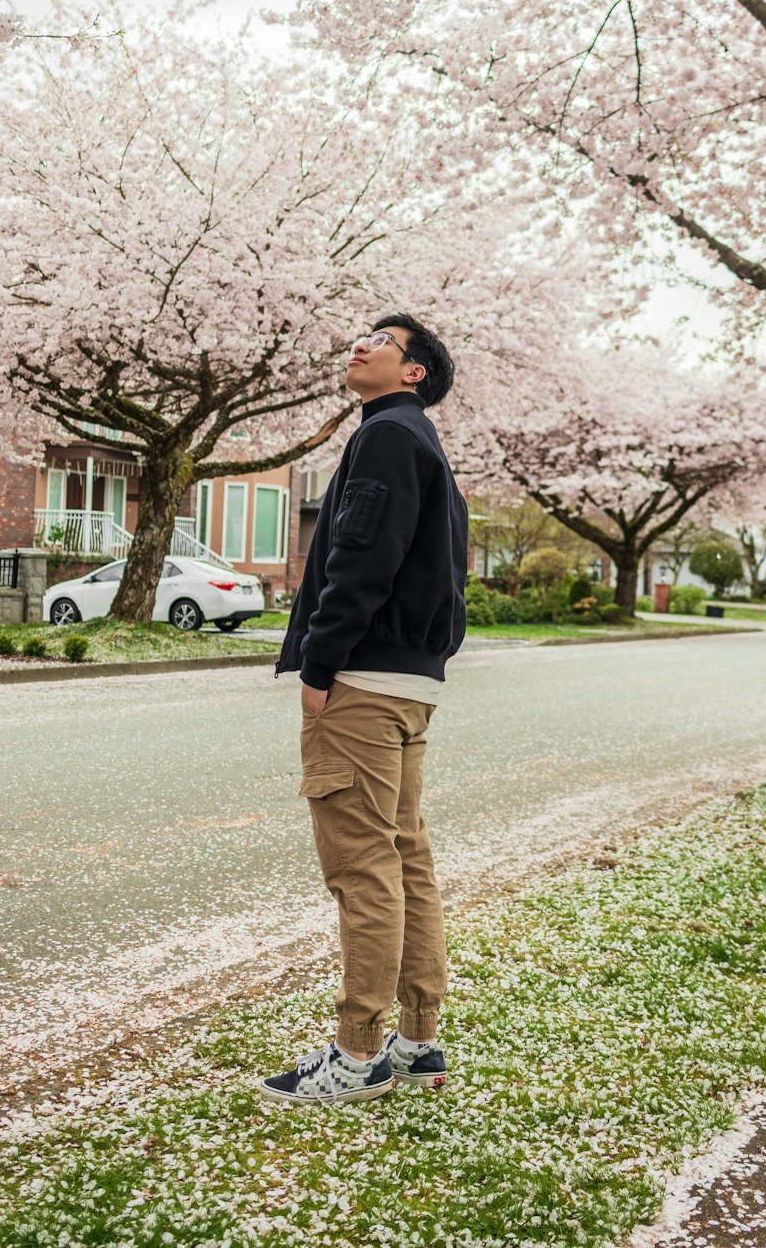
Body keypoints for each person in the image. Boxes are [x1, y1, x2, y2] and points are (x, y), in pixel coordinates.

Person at [259, 314, 468, 1107]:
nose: (360, 345)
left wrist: (320, 661)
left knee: (363, 868)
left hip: (363, 682)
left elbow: (359, 554)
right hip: (411, 684)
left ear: (413, 371)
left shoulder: (385, 436)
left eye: (381, 341)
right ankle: (417, 1041)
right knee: (406, 859)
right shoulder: (423, 444)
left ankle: (356, 1055)